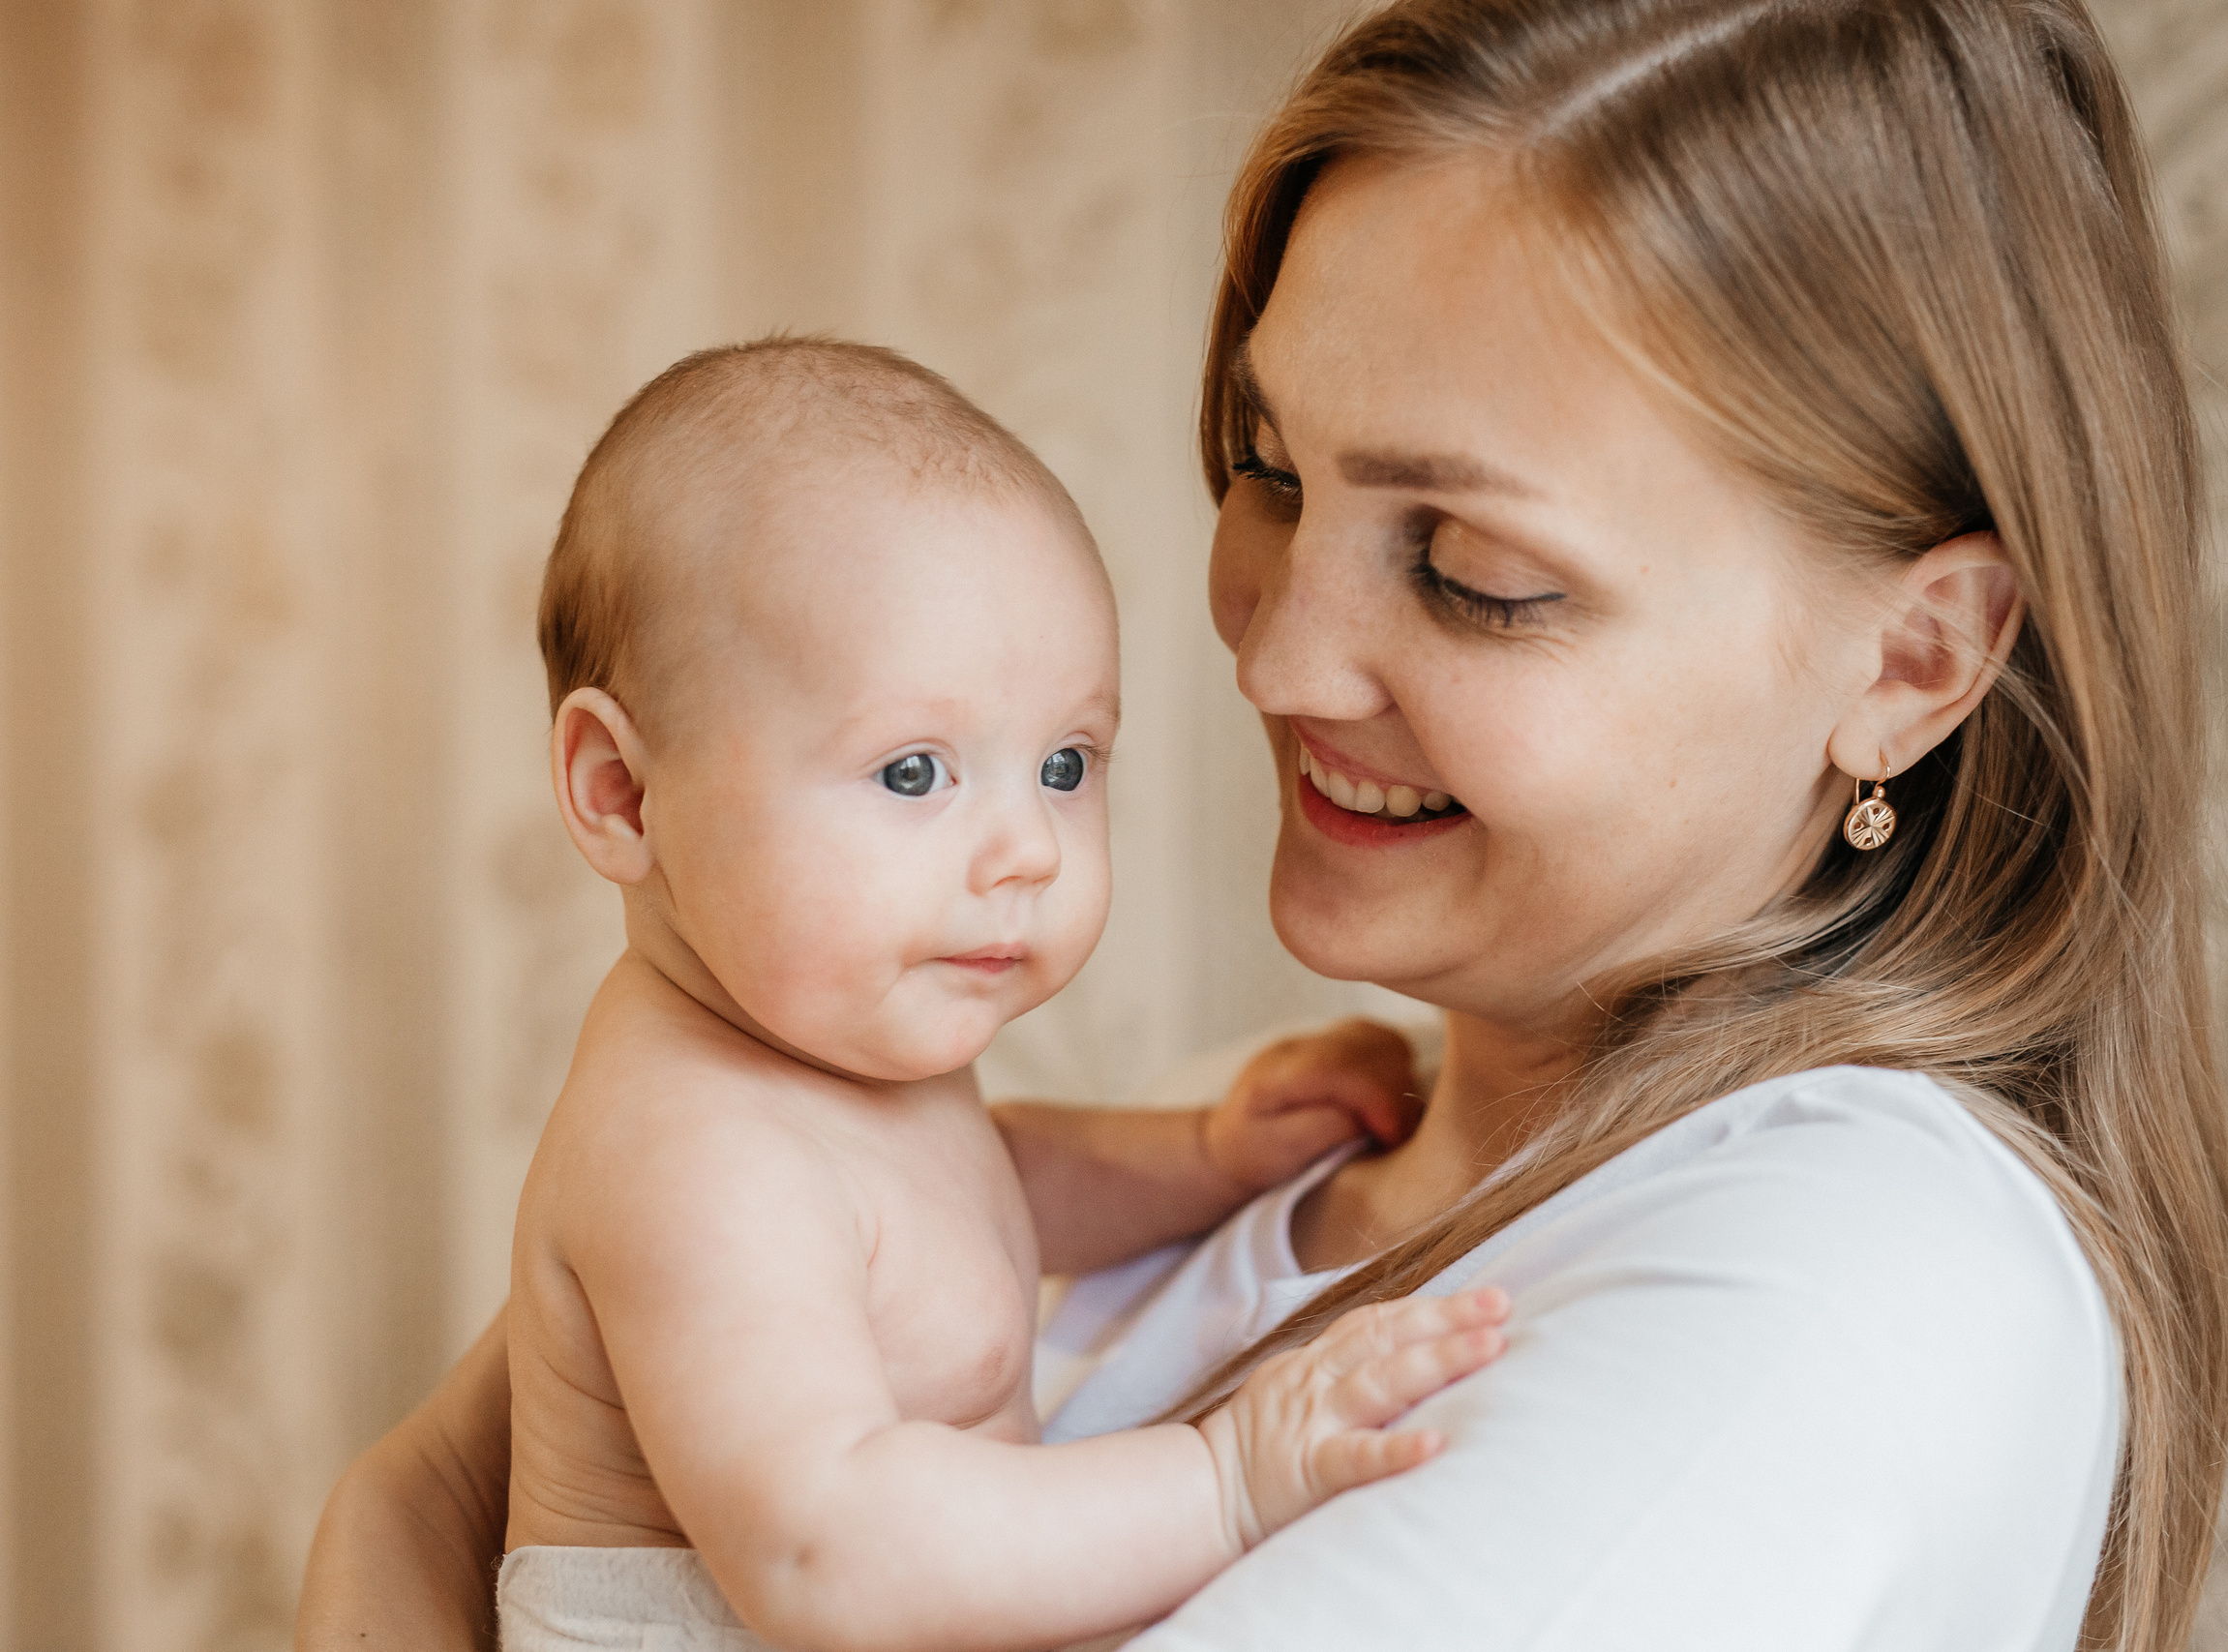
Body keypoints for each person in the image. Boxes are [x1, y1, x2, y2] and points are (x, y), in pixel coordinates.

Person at [297, 3, 2228, 1649]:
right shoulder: (1239, 1141)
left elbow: (427, 1536)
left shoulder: (1839, 1280)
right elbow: (429, 1508)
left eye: (1477, 571)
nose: (1275, 652)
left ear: (1912, 659)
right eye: (1267, 470)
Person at [488, 337, 1511, 1652]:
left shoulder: (822, 1060)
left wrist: (1204, 1155)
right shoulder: (689, 1153)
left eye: (1066, 765)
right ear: (624, 794)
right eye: (914, 772)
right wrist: (1225, 1479)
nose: (1027, 848)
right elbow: (826, 1552)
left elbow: (967, 1199)